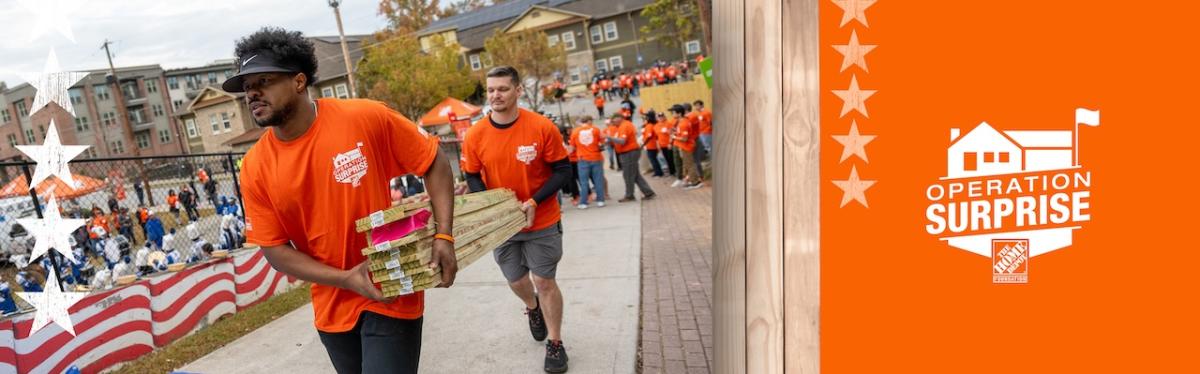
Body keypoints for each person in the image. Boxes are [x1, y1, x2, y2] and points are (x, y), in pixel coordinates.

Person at [226, 27, 457, 374]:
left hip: (389, 286)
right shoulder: (255, 166)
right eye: (247, 87)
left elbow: (434, 163)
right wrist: (345, 278)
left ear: (299, 81)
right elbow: (275, 250)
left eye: (264, 81)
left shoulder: (364, 117)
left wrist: (444, 236)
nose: (253, 94)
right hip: (332, 303)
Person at [461, 66, 571, 373]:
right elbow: (471, 174)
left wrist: (535, 200)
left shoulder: (541, 127)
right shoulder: (475, 134)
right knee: (517, 281)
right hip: (504, 227)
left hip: (542, 219)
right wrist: (494, 208)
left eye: (503, 89)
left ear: (518, 91)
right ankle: (532, 307)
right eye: (491, 90)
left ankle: (556, 343)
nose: (495, 95)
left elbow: (564, 171)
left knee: (544, 280)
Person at [606, 113, 656, 202]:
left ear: (619, 118)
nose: (613, 123)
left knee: (628, 175)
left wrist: (610, 138)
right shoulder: (622, 126)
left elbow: (622, 141)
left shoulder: (625, 126)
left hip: (629, 153)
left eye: (613, 121)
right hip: (628, 153)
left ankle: (629, 195)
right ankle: (648, 192)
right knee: (635, 175)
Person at [569, 116, 606, 209]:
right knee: (598, 180)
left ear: (581, 121)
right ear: (589, 121)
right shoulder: (596, 130)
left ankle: (583, 202)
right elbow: (602, 143)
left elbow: (572, 148)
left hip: (583, 158)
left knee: (583, 182)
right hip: (596, 157)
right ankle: (600, 200)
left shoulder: (575, 132)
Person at [671, 106, 703, 189]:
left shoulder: (683, 123)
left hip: (687, 146)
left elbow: (684, 139)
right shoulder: (681, 121)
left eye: (674, 112)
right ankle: (690, 180)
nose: (672, 114)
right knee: (686, 164)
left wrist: (674, 137)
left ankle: (695, 182)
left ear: (679, 113)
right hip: (683, 146)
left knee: (690, 164)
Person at [642, 110, 665, 177]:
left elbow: (649, 136)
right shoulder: (652, 124)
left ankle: (658, 172)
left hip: (651, 145)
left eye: (646, 116)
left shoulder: (649, 126)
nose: (645, 117)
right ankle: (658, 171)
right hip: (652, 144)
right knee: (654, 159)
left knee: (653, 159)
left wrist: (644, 144)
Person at [655, 112, 678, 178]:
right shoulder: (656, 126)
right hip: (662, 145)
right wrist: (658, 145)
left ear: (664, 117)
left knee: (671, 158)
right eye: (659, 117)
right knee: (667, 159)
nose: (661, 118)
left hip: (668, 144)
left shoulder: (668, 124)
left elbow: (671, 134)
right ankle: (671, 172)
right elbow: (657, 137)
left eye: (662, 116)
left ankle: (674, 172)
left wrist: (670, 143)